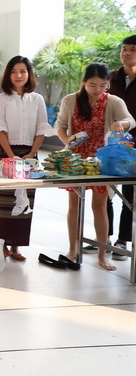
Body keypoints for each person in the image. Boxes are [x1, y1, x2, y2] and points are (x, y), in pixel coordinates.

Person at [55, 63, 134, 271]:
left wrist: (122, 124)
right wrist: (68, 140)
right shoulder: (70, 100)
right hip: (75, 159)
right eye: (92, 85)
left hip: (102, 161)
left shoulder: (113, 101)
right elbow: (60, 125)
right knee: (74, 204)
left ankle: (102, 254)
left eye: (102, 85)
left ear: (108, 84)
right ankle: (73, 249)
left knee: (99, 206)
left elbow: (130, 120)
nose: (97, 89)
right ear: (84, 82)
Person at [0, 56, 52, 261]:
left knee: (27, 200)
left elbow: (42, 127)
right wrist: (12, 157)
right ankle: (3, 245)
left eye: (23, 71)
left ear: (29, 74)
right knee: (5, 200)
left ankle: (16, 246)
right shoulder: (1, 99)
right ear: (8, 75)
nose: (18, 75)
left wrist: (32, 153)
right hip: (5, 152)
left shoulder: (37, 99)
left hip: (29, 154)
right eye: (14, 71)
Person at [104, 35, 136, 260]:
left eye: (132, 49)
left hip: (134, 147)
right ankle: (104, 237)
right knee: (103, 192)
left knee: (130, 195)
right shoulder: (111, 78)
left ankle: (123, 240)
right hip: (110, 145)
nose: (126, 53)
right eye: (124, 49)